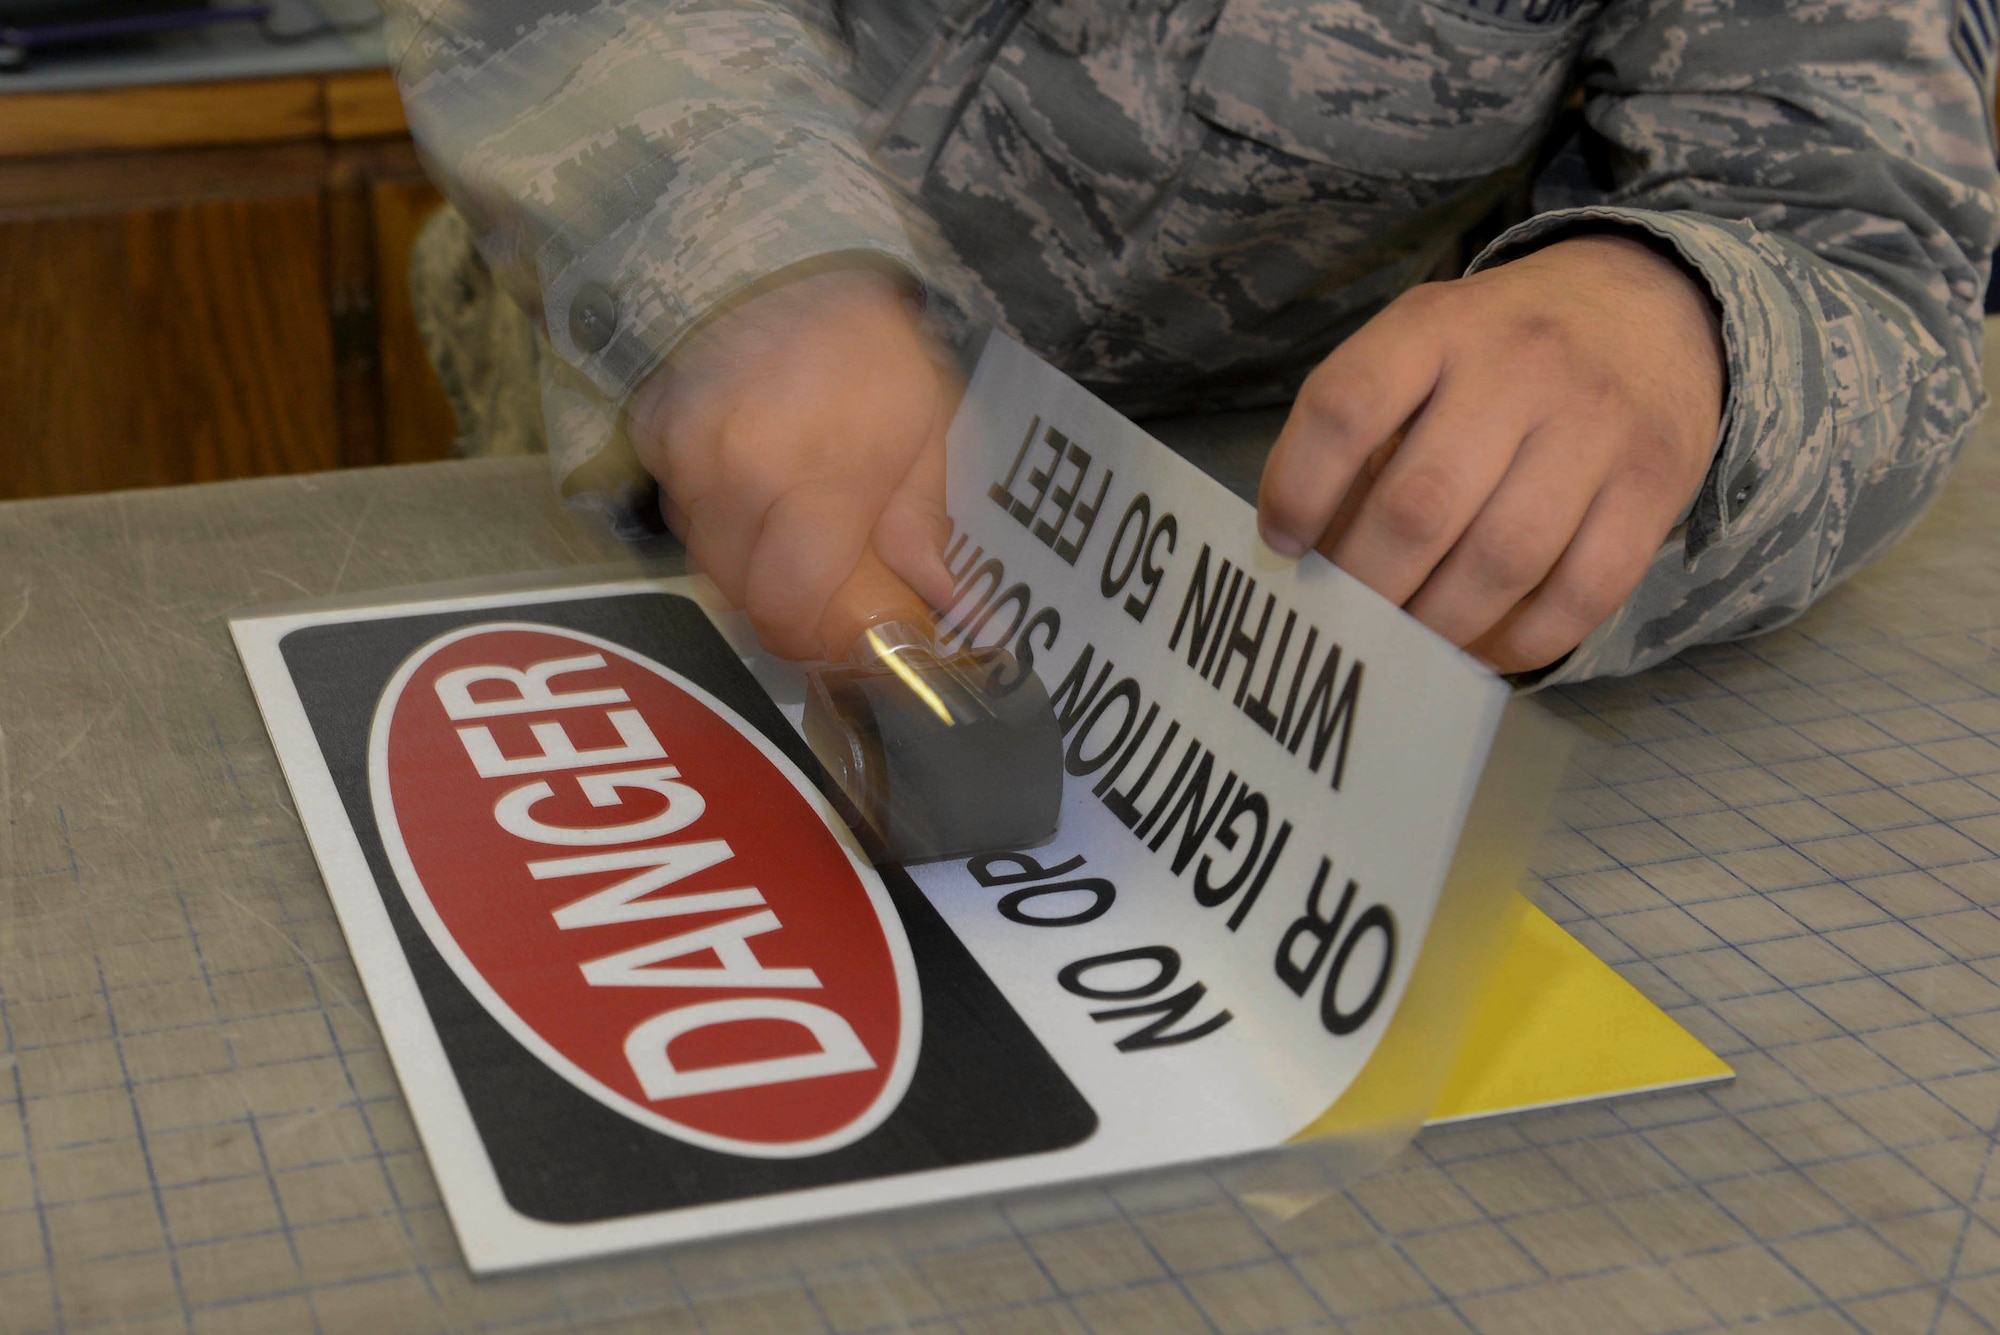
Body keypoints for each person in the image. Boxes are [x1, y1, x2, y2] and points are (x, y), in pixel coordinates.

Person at [382, 0, 1999, 682]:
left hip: (1273, 557)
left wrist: (1675, 326)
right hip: (673, 392)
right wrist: (753, 281)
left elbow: (1864, 224)